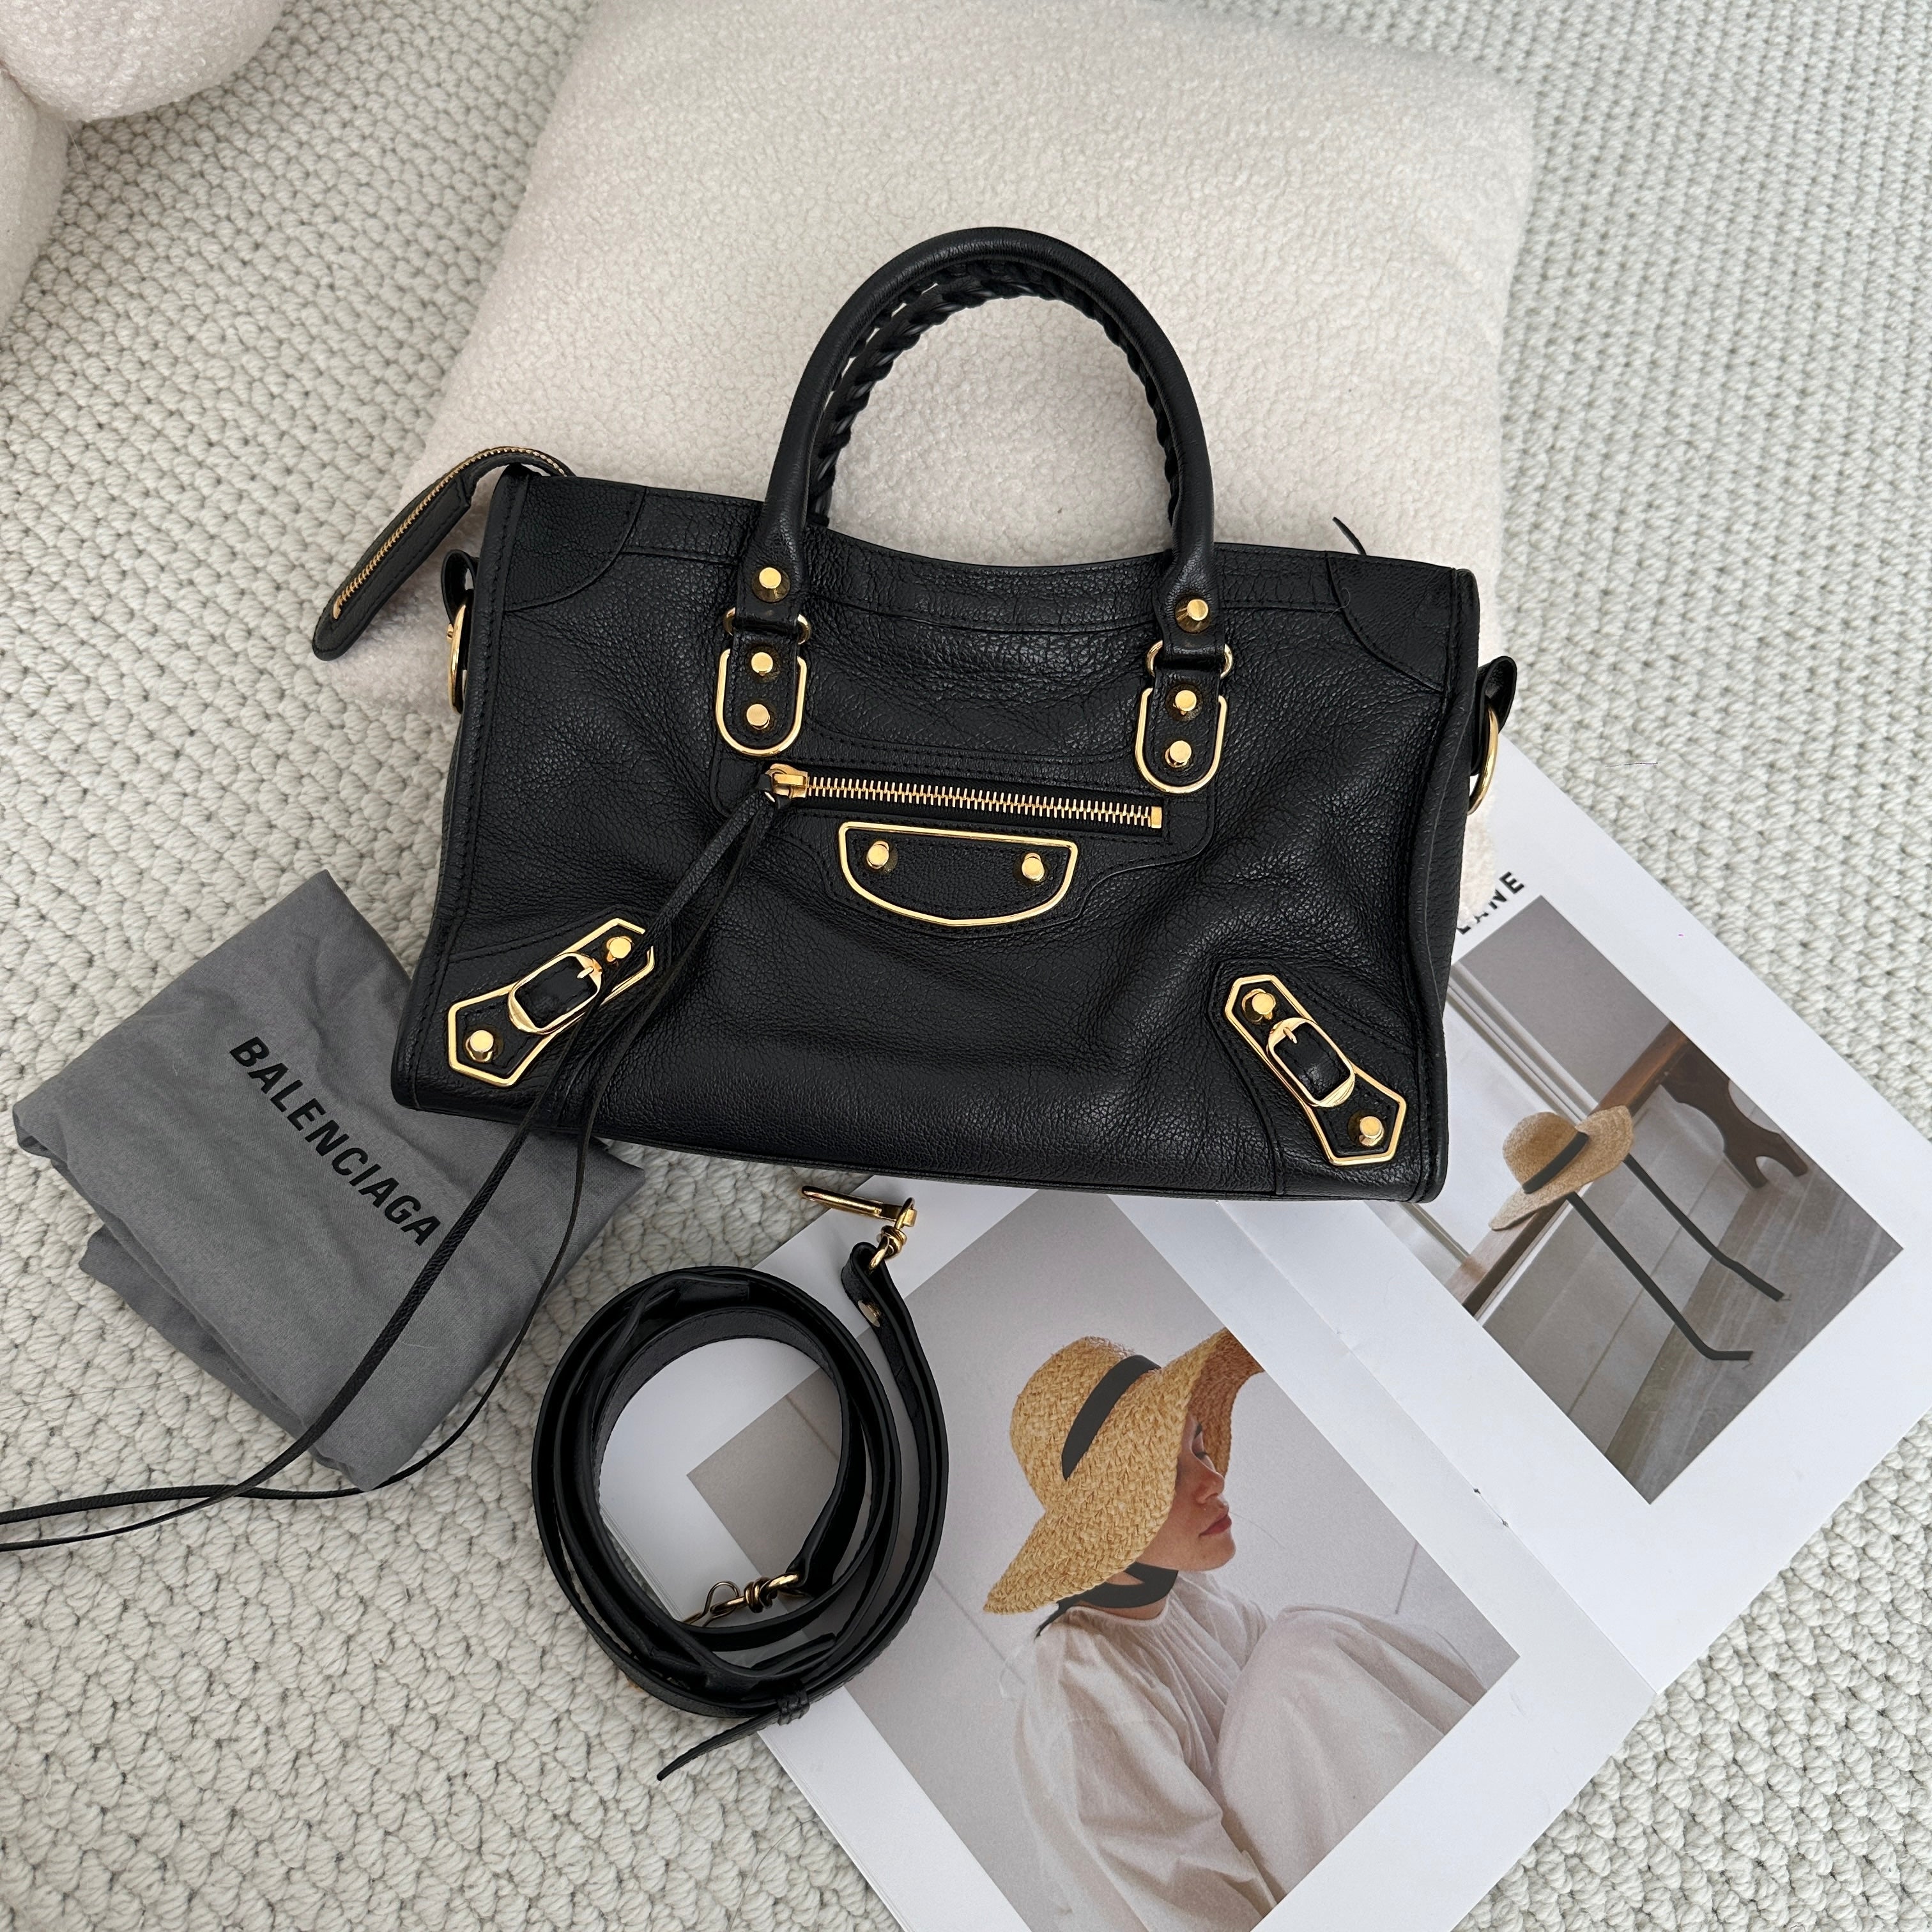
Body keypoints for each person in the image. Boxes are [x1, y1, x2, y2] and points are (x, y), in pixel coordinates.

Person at [986, 1332, 1483, 1932]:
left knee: (1307, 1647)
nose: (1212, 1479)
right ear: (1106, 1521)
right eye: (1168, 1474)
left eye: (1199, 1447)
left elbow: (1324, 1741)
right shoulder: (1080, 1694)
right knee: (1304, 1651)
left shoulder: (1189, 1597)